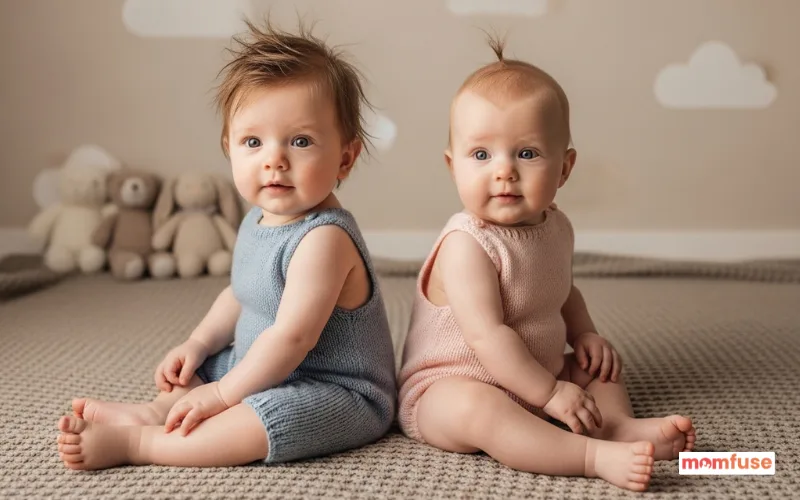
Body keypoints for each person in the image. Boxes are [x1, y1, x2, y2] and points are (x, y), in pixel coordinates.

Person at [56, 20, 397, 470]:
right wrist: (197, 344)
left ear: (345, 158)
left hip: (333, 388)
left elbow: (292, 337)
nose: (274, 159)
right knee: (203, 369)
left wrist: (221, 395)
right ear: (229, 148)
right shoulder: (259, 218)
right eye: (253, 141)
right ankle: (156, 414)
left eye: (300, 141)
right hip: (264, 363)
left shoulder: (324, 239)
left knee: (254, 422)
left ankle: (141, 445)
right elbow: (240, 294)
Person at [397, 36, 695, 492]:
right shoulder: (466, 244)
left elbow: (563, 291)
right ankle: (591, 455)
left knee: (599, 368)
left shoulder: (556, 227)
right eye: (481, 155)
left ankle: (614, 426)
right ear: (452, 165)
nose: (504, 171)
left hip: (540, 371)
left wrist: (585, 334)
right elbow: (486, 335)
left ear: (564, 168)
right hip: (449, 388)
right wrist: (551, 393)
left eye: (527, 153)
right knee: (481, 409)